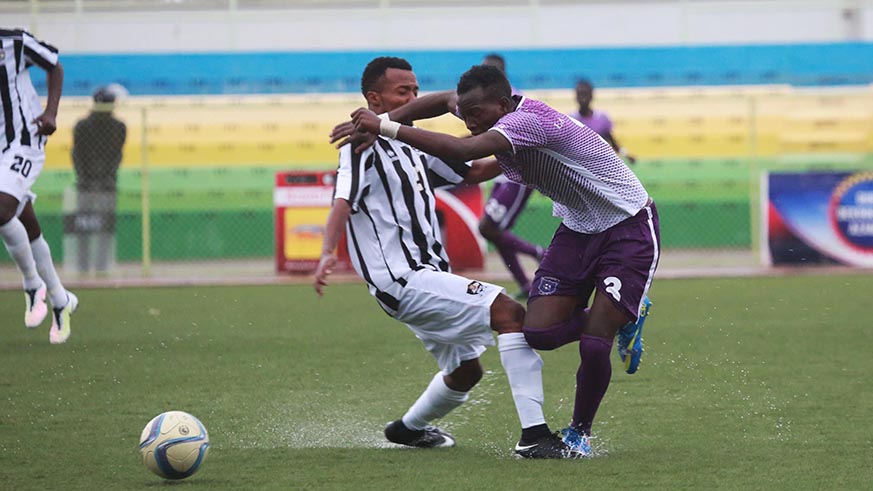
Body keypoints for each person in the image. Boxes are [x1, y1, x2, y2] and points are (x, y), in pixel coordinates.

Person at [338, 64, 659, 456]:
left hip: (626, 224)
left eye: (477, 116)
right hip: (577, 227)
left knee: (594, 344)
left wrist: (383, 125)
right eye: (467, 114)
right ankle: (621, 313)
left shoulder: (529, 119)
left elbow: (463, 151)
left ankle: (578, 433)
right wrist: (384, 121)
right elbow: (445, 107)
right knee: (537, 333)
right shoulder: (484, 106)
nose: (470, 123)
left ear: (504, 104)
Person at [315, 57, 579, 459]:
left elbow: (471, 172)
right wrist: (325, 253)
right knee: (509, 312)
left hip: (425, 276)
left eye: (415, 89)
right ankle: (535, 436)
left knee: (466, 371)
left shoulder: (413, 143)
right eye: (404, 91)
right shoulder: (361, 146)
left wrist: (527, 151)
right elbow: (342, 200)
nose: (413, 96)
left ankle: (407, 429)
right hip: (401, 278)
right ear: (374, 98)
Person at [0, 28, 77, 344]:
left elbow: (55, 65)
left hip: (25, 140)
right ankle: (59, 298)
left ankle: (33, 283)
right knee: (23, 219)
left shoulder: (14, 42)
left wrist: (51, 111)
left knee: (1, 208)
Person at [478, 53, 543, 300]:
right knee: (496, 231)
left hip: (517, 175)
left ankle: (539, 253)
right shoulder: (484, 100)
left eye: (490, 71)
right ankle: (525, 284)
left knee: (488, 227)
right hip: (501, 173)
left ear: (502, 74)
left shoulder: (513, 99)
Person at [71, 85, 127, 275]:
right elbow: (79, 155)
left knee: (96, 227)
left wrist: (90, 178)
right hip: (95, 183)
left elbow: (114, 156)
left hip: (97, 184)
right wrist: (93, 178)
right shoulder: (116, 127)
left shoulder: (85, 126)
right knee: (91, 227)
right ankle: (91, 267)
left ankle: (91, 267)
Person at [568, 79, 636, 164]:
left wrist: (626, 155)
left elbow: (612, 141)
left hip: (601, 165)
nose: (583, 98)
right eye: (580, 94)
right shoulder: (570, 120)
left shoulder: (602, 118)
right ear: (576, 97)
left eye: (585, 94)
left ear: (591, 96)